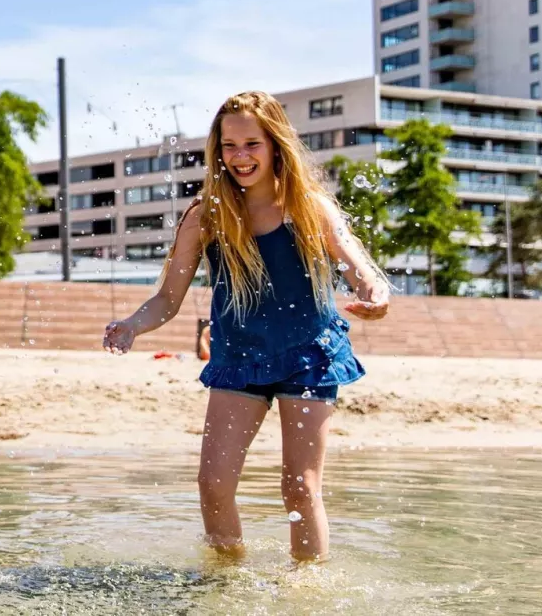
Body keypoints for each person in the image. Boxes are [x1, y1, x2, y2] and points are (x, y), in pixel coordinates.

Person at [103, 91, 390, 562]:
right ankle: (226, 586)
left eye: (252, 144)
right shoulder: (206, 216)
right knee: (213, 483)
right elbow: (167, 299)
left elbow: (357, 265)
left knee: (300, 488)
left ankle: (306, 595)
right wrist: (133, 325)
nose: (240, 156)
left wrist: (375, 293)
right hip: (238, 359)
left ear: (276, 144)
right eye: (229, 146)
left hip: (308, 356)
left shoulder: (309, 207)